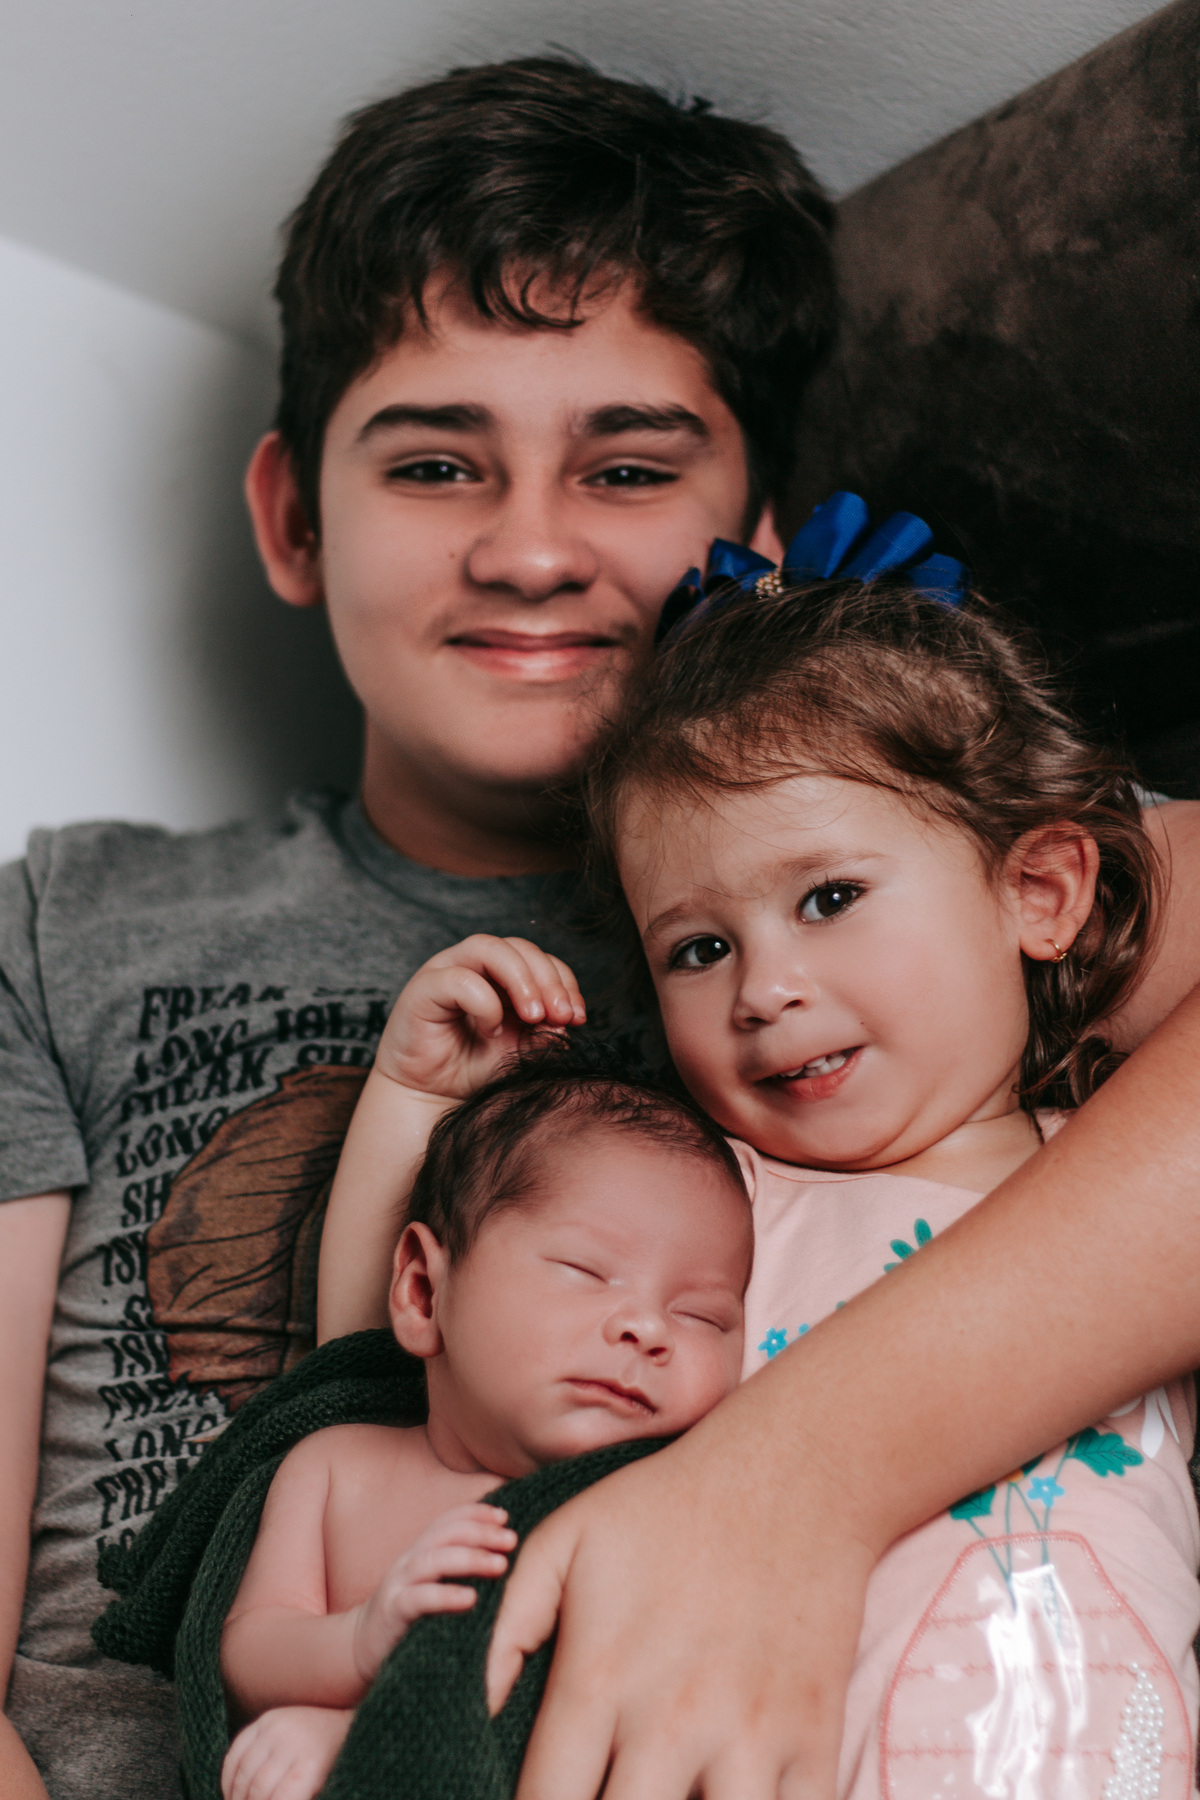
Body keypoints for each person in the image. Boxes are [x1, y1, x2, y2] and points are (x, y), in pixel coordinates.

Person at [0, 57, 837, 1800]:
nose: (529, 553)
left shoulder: (872, 911)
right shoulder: (64, 923)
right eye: (441, 464)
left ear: (755, 548)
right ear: (295, 517)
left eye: (626, 469)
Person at [321, 579, 1200, 1792]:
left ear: (1038, 892)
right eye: (699, 948)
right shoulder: (707, 1200)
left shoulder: (1130, 1179)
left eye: (830, 899)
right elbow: (403, 1369)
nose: (763, 990)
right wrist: (411, 1102)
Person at [219, 1022, 752, 1800]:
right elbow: (251, 1653)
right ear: (423, 1293)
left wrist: (364, 1740)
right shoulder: (335, 1469)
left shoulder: (663, 1505)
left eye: (702, 1314)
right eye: (585, 1270)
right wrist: (361, 1644)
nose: (648, 1327)